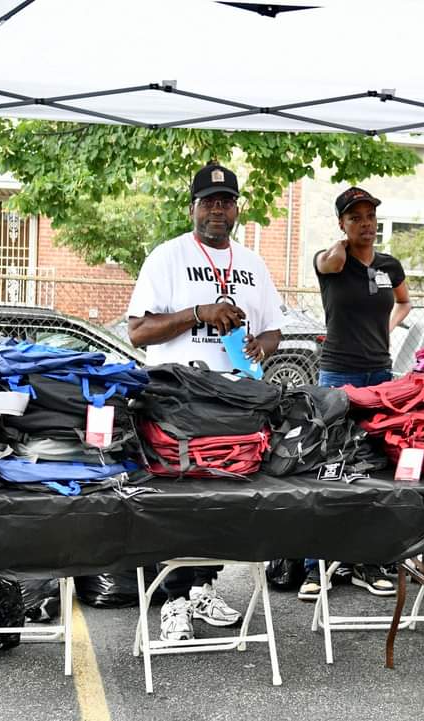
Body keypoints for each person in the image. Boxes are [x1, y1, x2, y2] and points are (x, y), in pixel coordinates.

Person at [126, 162, 285, 642]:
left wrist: (263, 346)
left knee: (225, 504)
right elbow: (137, 331)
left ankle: (201, 586)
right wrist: (198, 313)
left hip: (234, 403)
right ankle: (172, 600)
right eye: (208, 201)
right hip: (179, 402)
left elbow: (274, 326)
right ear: (193, 207)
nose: (218, 209)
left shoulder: (253, 263)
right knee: (177, 504)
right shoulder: (167, 257)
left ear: (237, 209)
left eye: (227, 201)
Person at [297, 186, 412, 602]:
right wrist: (344, 243)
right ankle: (316, 566)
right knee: (327, 465)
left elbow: (404, 302)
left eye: (370, 217)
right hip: (337, 375)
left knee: (374, 467)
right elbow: (330, 260)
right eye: (356, 217)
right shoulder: (332, 260)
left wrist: (385, 331)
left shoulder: (389, 265)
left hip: (380, 374)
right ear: (342, 224)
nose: (367, 224)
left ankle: (368, 561)